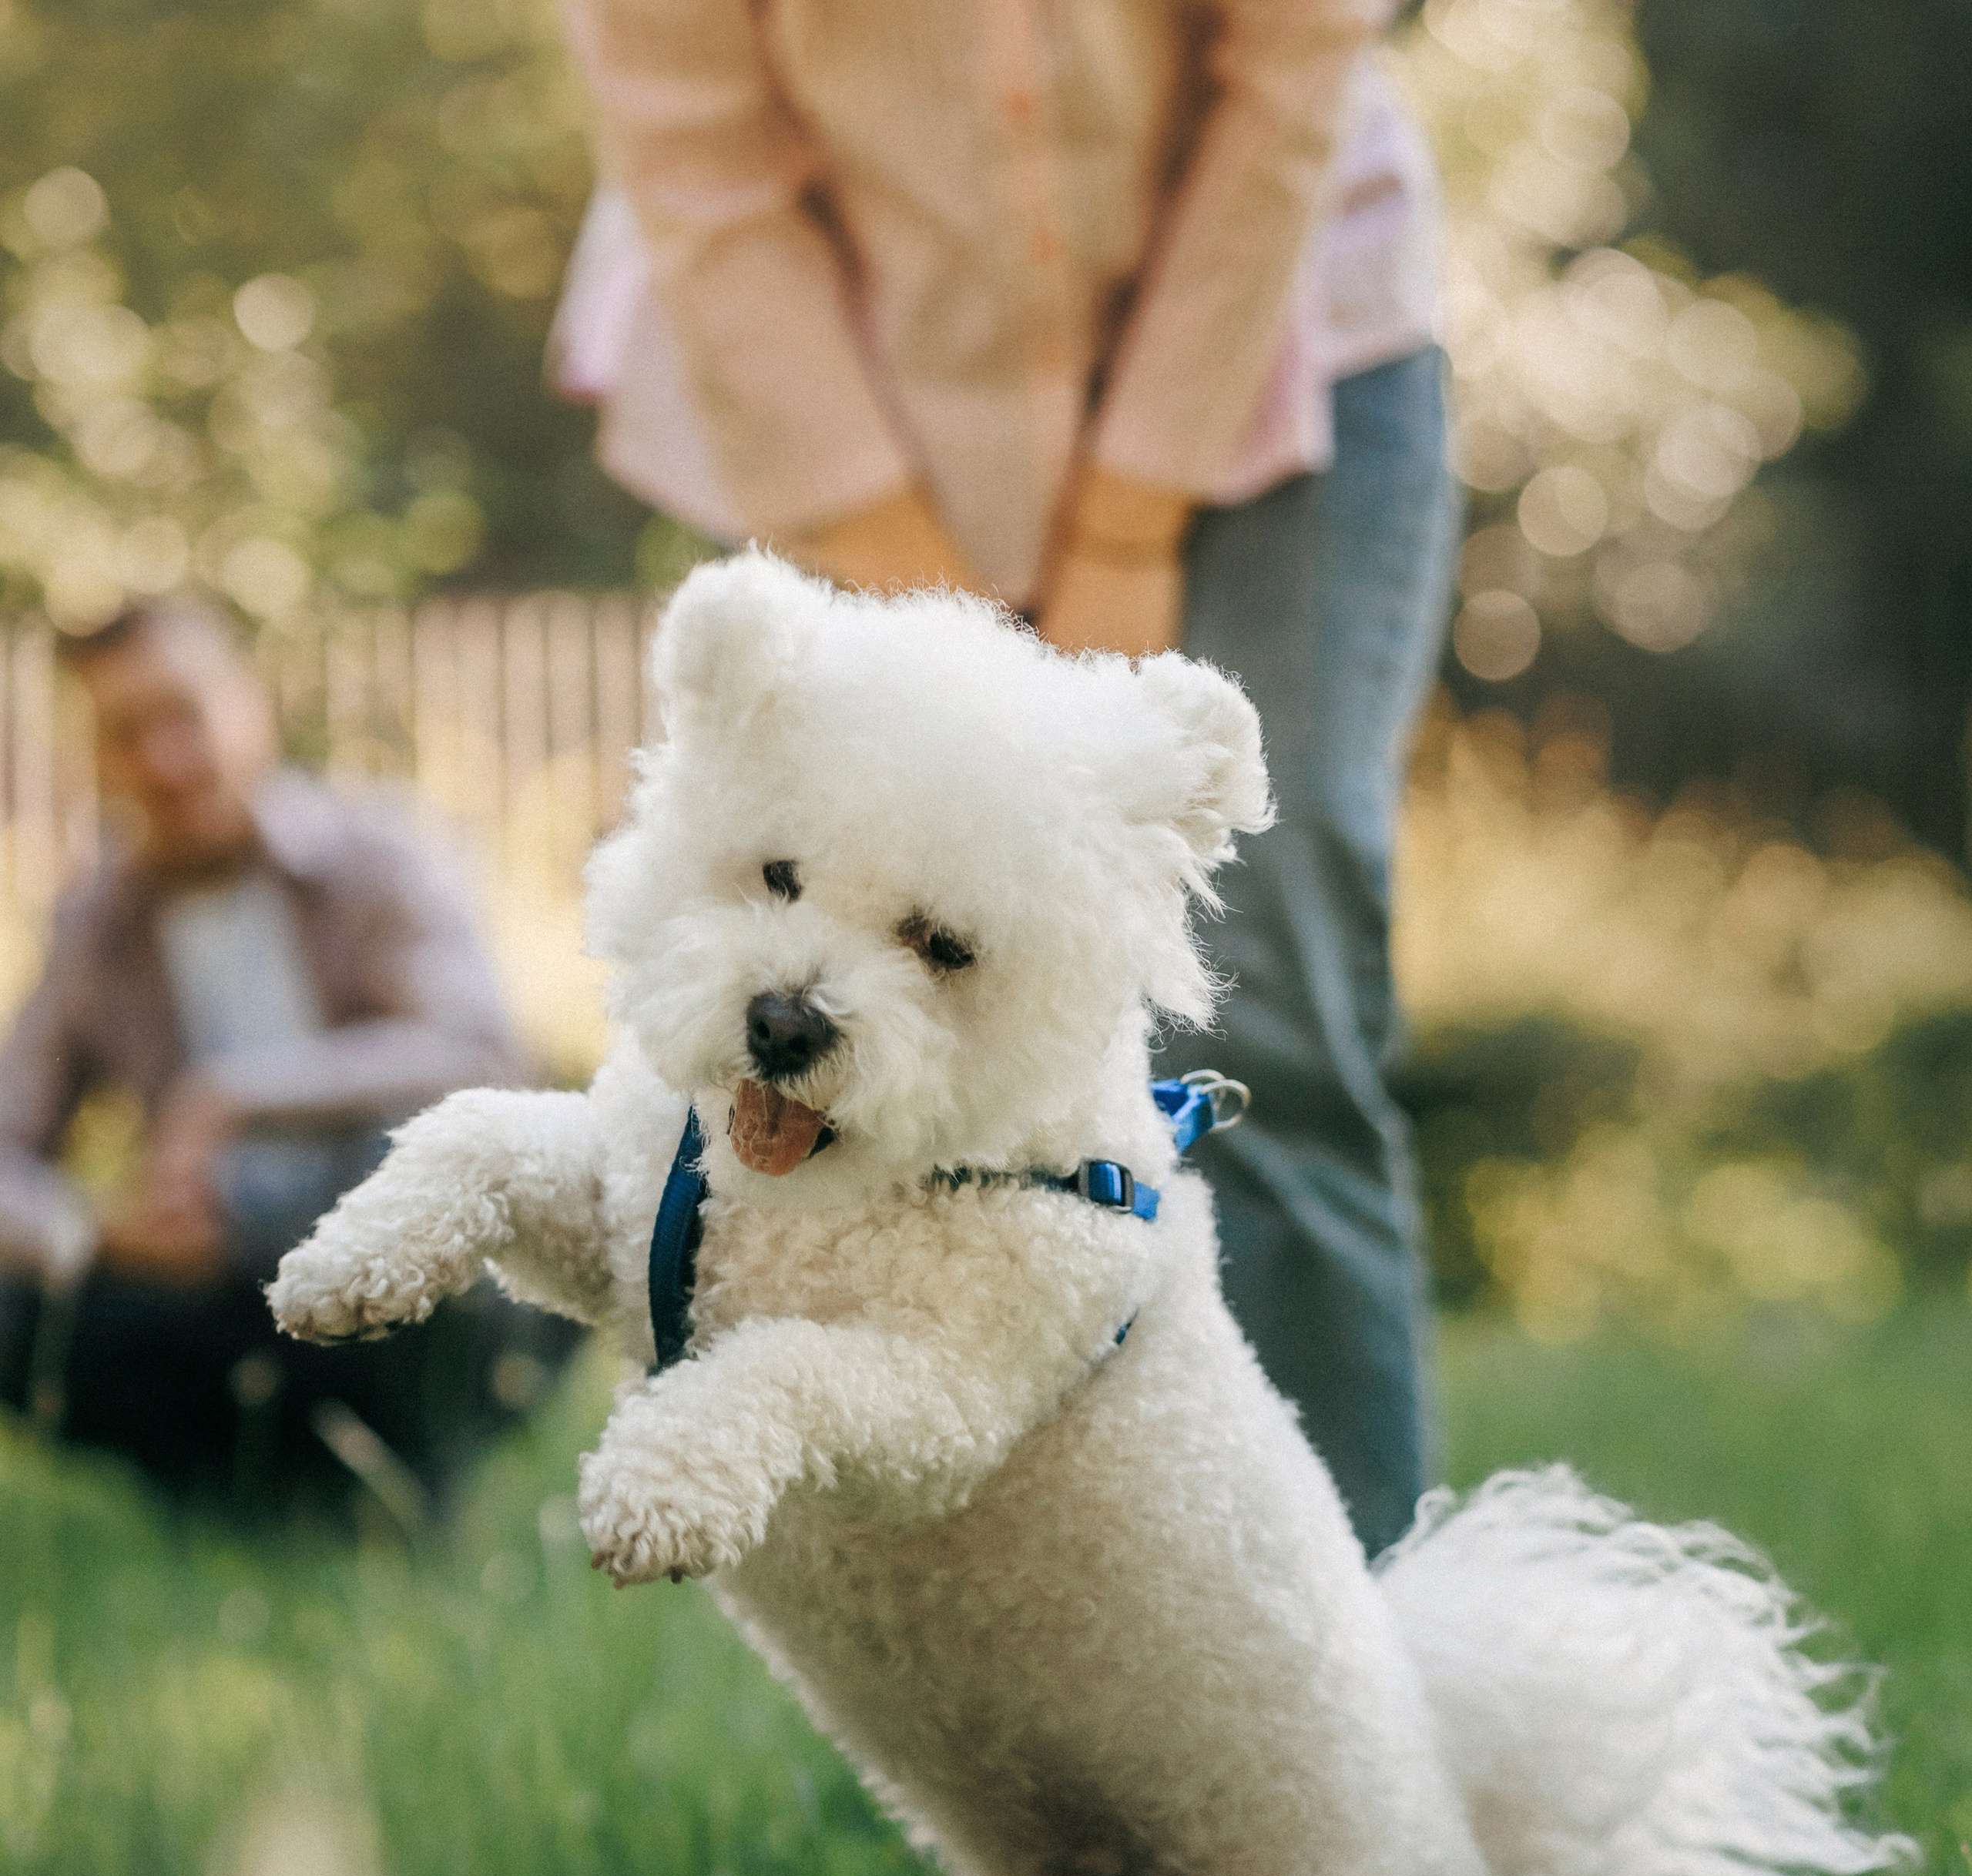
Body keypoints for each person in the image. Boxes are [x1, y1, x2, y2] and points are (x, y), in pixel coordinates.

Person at [549, 0, 1460, 1556]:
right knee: (841, 1031)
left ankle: (1357, 1647)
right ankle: (977, 1648)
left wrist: (1124, 516)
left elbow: (1289, 62)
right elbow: (706, 174)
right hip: (842, 378)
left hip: (1274, 341)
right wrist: (913, 590)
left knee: (1269, 1010)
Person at [0, 598, 573, 1515]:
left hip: (407, 1280)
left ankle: (404, 1487)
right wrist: (101, 1233)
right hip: (218, 1296)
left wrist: (233, 1096)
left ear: (247, 702)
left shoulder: (382, 850)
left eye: (183, 716)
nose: (164, 761)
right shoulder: (92, 924)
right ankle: (225, 1491)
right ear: (94, 760)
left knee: (431, 1174)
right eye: (124, 734)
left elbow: (485, 1058)